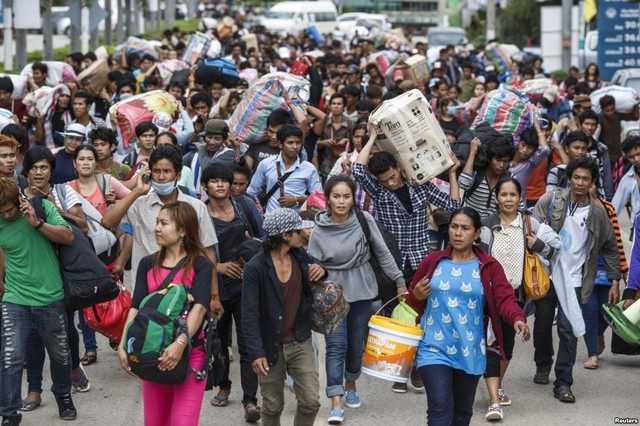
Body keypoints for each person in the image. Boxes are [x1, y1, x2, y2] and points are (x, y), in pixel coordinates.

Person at [352, 123, 461, 393]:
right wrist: (374, 136)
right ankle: (400, 371)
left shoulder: (421, 186)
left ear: (399, 168)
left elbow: (454, 206)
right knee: (396, 318)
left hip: (422, 260)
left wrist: (452, 174)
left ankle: (415, 369)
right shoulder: (378, 191)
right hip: (392, 264)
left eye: (391, 177)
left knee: (423, 315)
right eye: (384, 180)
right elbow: (356, 169)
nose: (389, 183)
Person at [405, 207, 530, 426]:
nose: (458, 233)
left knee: (462, 414)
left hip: (470, 349)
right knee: (440, 408)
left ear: (477, 233)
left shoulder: (489, 267)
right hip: (433, 348)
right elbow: (413, 302)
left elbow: (505, 298)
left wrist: (517, 318)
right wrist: (415, 295)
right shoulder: (432, 262)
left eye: (465, 228)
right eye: (454, 227)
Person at [307, 176, 405, 424]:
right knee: (335, 346)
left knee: (355, 347)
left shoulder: (364, 219)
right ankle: (336, 400)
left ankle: (350, 383)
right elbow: (311, 263)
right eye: (336, 196)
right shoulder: (319, 229)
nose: (341, 201)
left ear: (353, 198)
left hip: (362, 290)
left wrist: (400, 281)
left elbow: (382, 253)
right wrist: (316, 269)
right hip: (332, 296)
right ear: (328, 198)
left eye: (346, 196)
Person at [532, 157, 621, 403]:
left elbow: (610, 247)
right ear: (569, 178)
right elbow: (531, 227)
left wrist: (614, 278)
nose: (580, 183)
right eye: (576, 177)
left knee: (568, 331)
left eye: (586, 179)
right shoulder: (551, 200)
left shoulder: (598, 212)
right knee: (541, 324)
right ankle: (542, 364)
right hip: (547, 272)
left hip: (576, 279)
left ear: (593, 183)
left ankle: (563, 383)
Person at [101, 145, 223, 320]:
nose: (161, 177)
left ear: (178, 175)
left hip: (186, 291)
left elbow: (208, 251)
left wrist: (213, 295)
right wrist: (137, 191)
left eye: (167, 171)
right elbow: (107, 222)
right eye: (156, 171)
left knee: (185, 340)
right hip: (147, 293)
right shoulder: (139, 204)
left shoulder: (196, 207)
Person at [117, 202, 212, 426]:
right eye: (157, 222)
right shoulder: (147, 264)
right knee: (155, 422)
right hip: (153, 355)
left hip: (191, 353)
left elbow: (199, 308)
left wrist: (180, 343)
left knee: (182, 422)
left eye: (164, 223)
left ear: (182, 230)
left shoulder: (201, 265)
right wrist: (123, 344)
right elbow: (136, 307)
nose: (157, 228)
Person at [478, 178, 560, 421]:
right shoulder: (484, 227)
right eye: (504, 195)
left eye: (513, 194)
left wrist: (537, 245)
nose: (509, 199)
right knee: (491, 344)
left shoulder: (530, 224)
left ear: (520, 197)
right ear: (496, 198)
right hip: (485, 295)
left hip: (514, 297)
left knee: (507, 347)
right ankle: (493, 396)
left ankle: (497, 385)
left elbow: (556, 250)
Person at [0, 177, 77, 425]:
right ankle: (9, 413)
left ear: (19, 202)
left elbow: (68, 236)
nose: (7, 216)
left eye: (10, 210)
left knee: (60, 355)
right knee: (10, 357)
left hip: (50, 296)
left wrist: (37, 223)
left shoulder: (42, 207)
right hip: (15, 299)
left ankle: (63, 395)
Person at [242, 208, 325, 426]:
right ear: (286, 236)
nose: (303, 234)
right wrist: (256, 353)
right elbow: (249, 314)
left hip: (300, 340)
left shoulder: (299, 255)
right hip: (269, 346)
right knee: (272, 406)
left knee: (311, 402)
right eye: (298, 231)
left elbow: (319, 265)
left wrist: (320, 269)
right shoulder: (255, 268)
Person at [202, 164, 263, 421]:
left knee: (248, 342)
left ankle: (250, 399)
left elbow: (263, 238)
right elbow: (191, 252)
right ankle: (224, 384)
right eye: (214, 181)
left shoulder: (244, 206)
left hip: (248, 286)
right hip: (216, 288)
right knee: (221, 341)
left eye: (224, 181)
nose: (220, 185)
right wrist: (218, 266)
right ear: (205, 186)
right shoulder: (199, 213)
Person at [246, 125, 322, 214]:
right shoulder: (266, 164)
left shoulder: (309, 168)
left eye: (298, 143)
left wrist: (297, 200)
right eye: (290, 142)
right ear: (280, 145)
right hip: (270, 222)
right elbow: (251, 192)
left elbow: (319, 198)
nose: (295, 146)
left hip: (297, 223)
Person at [459, 136, 514, 219]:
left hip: (493, 227)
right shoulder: (477, 172)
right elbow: (464, 184)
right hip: (469, 222)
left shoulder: (510, 178)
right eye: (498, 160)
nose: (501, 165)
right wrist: (472, 153)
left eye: (505, 161)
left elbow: (518, 205)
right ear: (489, 159)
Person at [67, 145, 131, 216]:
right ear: (74, 163)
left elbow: (134, 199)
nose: (86, 163)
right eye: (81, 159)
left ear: (96, 163)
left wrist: (115, 202)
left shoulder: (107, 181)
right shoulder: (68, 188)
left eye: (90, 159)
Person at [183, 119, 238, 195]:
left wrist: (201, 148)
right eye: (209, 137)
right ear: (204, 137)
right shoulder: (193, 154)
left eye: (217, 139)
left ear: (224, 140)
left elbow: (207, 168)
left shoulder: (229, 154)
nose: (212, 142)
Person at [509, 120, 550, 201]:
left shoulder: (531, 162)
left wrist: (538, 128)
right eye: (523, 145)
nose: (524, 150)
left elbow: (545, 149)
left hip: (518, 205)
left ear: (534, 150)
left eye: (530, 148)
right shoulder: (507, 156)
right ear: (519, 142)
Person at [580, 109, 614, 200]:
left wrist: (608, 197)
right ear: (580, 125)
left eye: (593, 124)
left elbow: (606, 175)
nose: (590, 128)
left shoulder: (601, 149)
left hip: (596, 195)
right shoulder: (571, 145)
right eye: (587, 124)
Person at [612, 136, 640, 227]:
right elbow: (614, 208)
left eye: (638, 154)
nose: (636, 159)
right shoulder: (627, 180)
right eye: (631, 157)